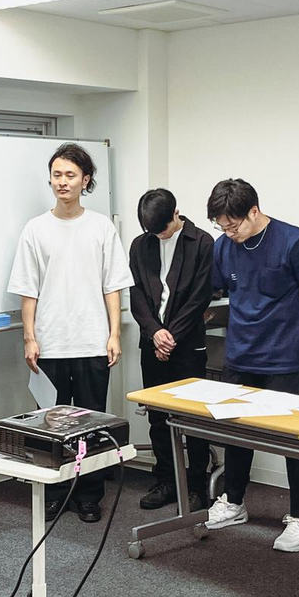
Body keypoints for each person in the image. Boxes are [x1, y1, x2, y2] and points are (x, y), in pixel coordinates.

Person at [203, 179, 299, 553]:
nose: (229, 233)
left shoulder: (294, 240)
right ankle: (233, 501)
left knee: (293, 437)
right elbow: (222, 291)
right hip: (240, 355)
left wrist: (292, 332)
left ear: (254, 211)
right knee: (237, 432)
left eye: (234, 226)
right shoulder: (224, 246)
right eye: (222, 227)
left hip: (285, 359)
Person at [8, 142, 131, 523]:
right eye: (57, 175)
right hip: (50, 343)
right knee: (53, 426)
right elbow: (28, 289)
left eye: (70, 175)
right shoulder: (35, 229)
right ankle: (56, 493)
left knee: (91, 424)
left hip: (92, 341)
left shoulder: (101, 227)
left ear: (85, 180)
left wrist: (114, 334)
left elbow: (113, 286)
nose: (62, 182)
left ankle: (89, 495)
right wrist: (29, 337)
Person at [128, 189, 215, 512]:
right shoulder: (140, 244)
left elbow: (199, 297)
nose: (159, 235)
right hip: (153, 342)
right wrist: (155, 333)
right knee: (157, 416)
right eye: (153, 231)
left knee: (193, 418)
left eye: (163, 229)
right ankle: (165, 479)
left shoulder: (202, 242)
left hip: (187, 343)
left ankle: (196, 485)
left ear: (176, 214)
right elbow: (136, 293)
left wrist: (170, 336)